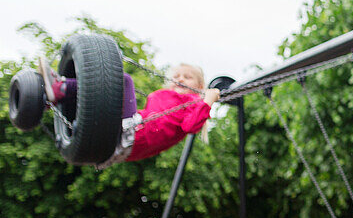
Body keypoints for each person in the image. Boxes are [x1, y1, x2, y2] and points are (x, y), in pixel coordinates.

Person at [37, 59, 220, 166]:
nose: (180, 79)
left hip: (133, 135)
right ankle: (55, 98)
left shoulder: (194, 102)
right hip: (125, 141)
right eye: (176, 76)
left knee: (121, 81)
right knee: (101, 101)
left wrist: (207, 100)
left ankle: (61, 88)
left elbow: (190, 126)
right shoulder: (170, 99)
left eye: (187, 78)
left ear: (199, 87)